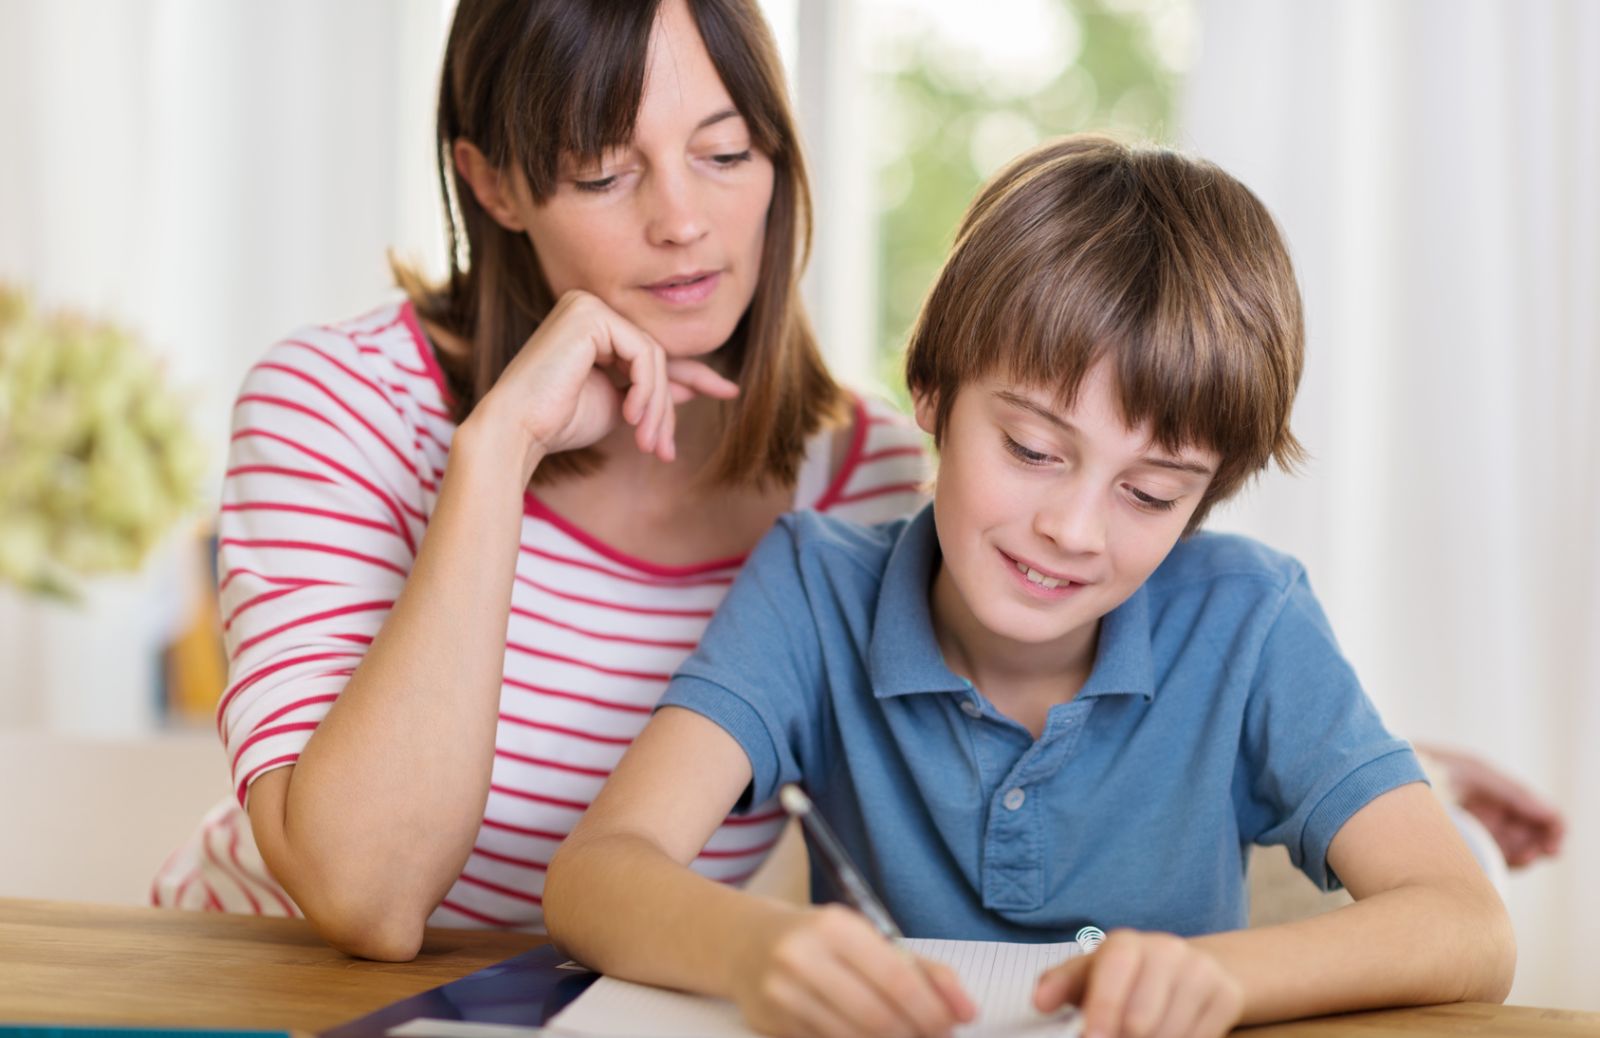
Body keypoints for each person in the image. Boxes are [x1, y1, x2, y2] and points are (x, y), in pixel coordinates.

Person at [542, 135, 1516, 1038]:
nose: (1073, 529)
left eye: (1148, 492)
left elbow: (1468, 928)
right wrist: (757, 947)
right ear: (931, 392)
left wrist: (1225, 977)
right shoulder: (814, 588)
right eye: (1033, 449)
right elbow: (595, 874)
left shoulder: (1249, 619)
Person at [150, 0, 929, 959]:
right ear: (494, 186)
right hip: (256, 997)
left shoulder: (872, 481)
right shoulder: (338, 403)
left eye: (726, 156)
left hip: (575, 1009)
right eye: (602, 171)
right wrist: (499, 449)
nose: (682, 222)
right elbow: (369, 898)